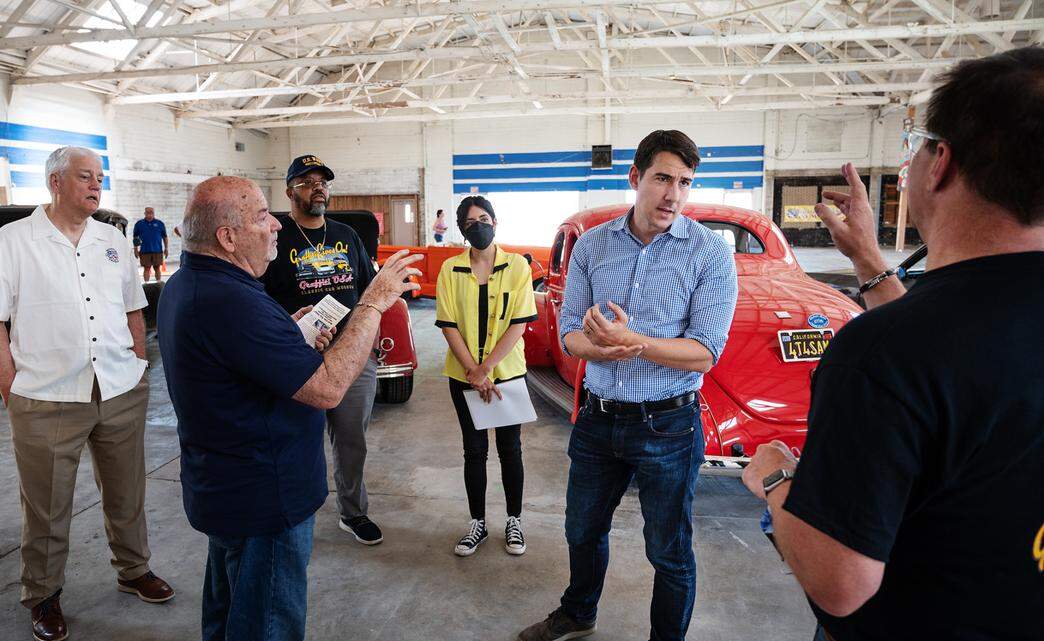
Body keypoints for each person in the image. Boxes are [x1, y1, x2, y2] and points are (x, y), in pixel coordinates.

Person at [741, 47, 1044, 641]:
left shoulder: (879, 354)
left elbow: (839, 582)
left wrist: (776, 479)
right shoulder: (916, 346)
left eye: (920, 145)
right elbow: (970, 357)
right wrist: (870, 262)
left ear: (941, 164)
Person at [158, 175, 421, 641]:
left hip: (226, 487)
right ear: (228, 236)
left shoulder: (190, 283)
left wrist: (286, 332)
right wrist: (373, 302)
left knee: (229, 613)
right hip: (265, 499)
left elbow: (236, 360)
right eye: (262, 216)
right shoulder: (231, 300)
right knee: (267, 623)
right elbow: (326, 389)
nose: (275, 226)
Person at [518, 130, 737, 641]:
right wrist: (599, 348)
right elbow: (570, 332)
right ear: (636, 177)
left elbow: (705, 352)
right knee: (581, 528)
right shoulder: (593, 246)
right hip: (598, 418)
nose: (673, 195)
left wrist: (631, 342)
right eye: (663, 178)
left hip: (668, 424)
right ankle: (578, 611)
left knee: (668, 549)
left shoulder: (708, 254)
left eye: (685, 182)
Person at [0, 146, 174, 641]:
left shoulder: (112, 240)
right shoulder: (12, 242)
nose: (95, 185)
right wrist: (12, 389)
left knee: (127, 493)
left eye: (99, 178)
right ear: (56, 182)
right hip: (45, 397)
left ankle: (133, 570)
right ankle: (43, 594)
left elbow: (133, 309)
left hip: (119, 388)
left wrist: (138, 365)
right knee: (47, 505)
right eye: (85, 177)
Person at [260, 155, 385, 546]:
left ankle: (353, 511)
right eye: (307, 181)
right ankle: (296, 512)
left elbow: (369, 290)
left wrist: (370, 338)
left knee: (351, 439)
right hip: (298, 357)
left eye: (323, 182)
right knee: (297, 439)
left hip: (350, 355)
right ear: (289, 191)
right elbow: (258, 298)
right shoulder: (276, 238)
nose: (318, 188)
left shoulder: (347, 236)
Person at [435, 196, 538, 557]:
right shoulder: (450, 269)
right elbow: (448, 324)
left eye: (483, 218)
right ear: (462, 229)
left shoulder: (518, 267)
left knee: (511, 449)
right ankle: (477, 522)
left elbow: (519, 323)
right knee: (474, 451)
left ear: (495, 222)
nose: (477, 225)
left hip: (507, 374)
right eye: (469, 221)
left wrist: (487, 368)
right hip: (462, 375)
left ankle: (514, 520)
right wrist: (472, 371)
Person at [133, 206, 169, 282]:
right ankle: (146, 284)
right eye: (148, 213)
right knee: (146, 268)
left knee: (157, 268)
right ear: (144, 213)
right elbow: (135, 237)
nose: (149, 214)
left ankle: (158, 283)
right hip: (145, 251)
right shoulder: (139, 224)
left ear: (154, 213)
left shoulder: (160, 224)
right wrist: (135, 250)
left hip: (157, 250)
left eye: (151, 213)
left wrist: (166, 248)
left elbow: (165, 237)